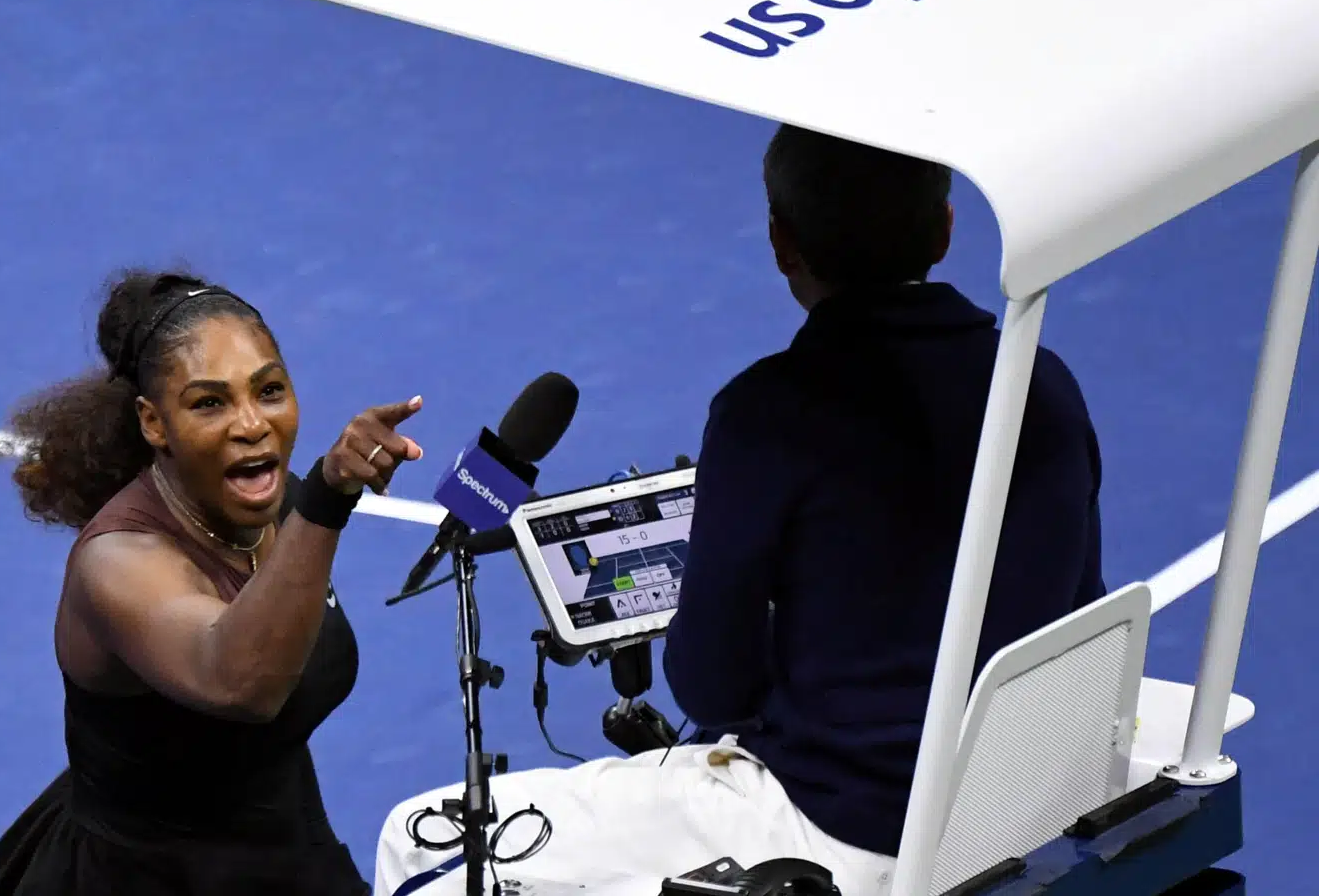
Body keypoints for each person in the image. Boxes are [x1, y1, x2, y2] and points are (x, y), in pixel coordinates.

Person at [372, 126, 1104, 896]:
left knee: (425, 846)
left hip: (835, 831)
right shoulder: (1046, 384)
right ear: (946, 227)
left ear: (783, 244)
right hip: (1017, 812)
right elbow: (1076, 612)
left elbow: (710, 688)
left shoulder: (769, 412)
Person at [0, 269, 426, 896]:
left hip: (283, 854)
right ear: (154, 423)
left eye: (269, 390)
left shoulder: (281, 506)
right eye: (210, 402)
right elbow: (241, 683)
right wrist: (328, 501)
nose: (251, 424)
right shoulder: (117, 565)